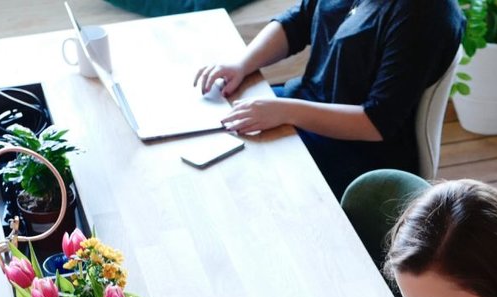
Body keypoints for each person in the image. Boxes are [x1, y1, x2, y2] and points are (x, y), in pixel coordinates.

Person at [193, 0, 463, 197]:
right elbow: (298, 21)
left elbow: (377, 122)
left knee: (238, 173)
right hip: (303, 106)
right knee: (213, 124)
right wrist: (241, 65)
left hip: (357, 153)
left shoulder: (426, 13)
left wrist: (284, 111)